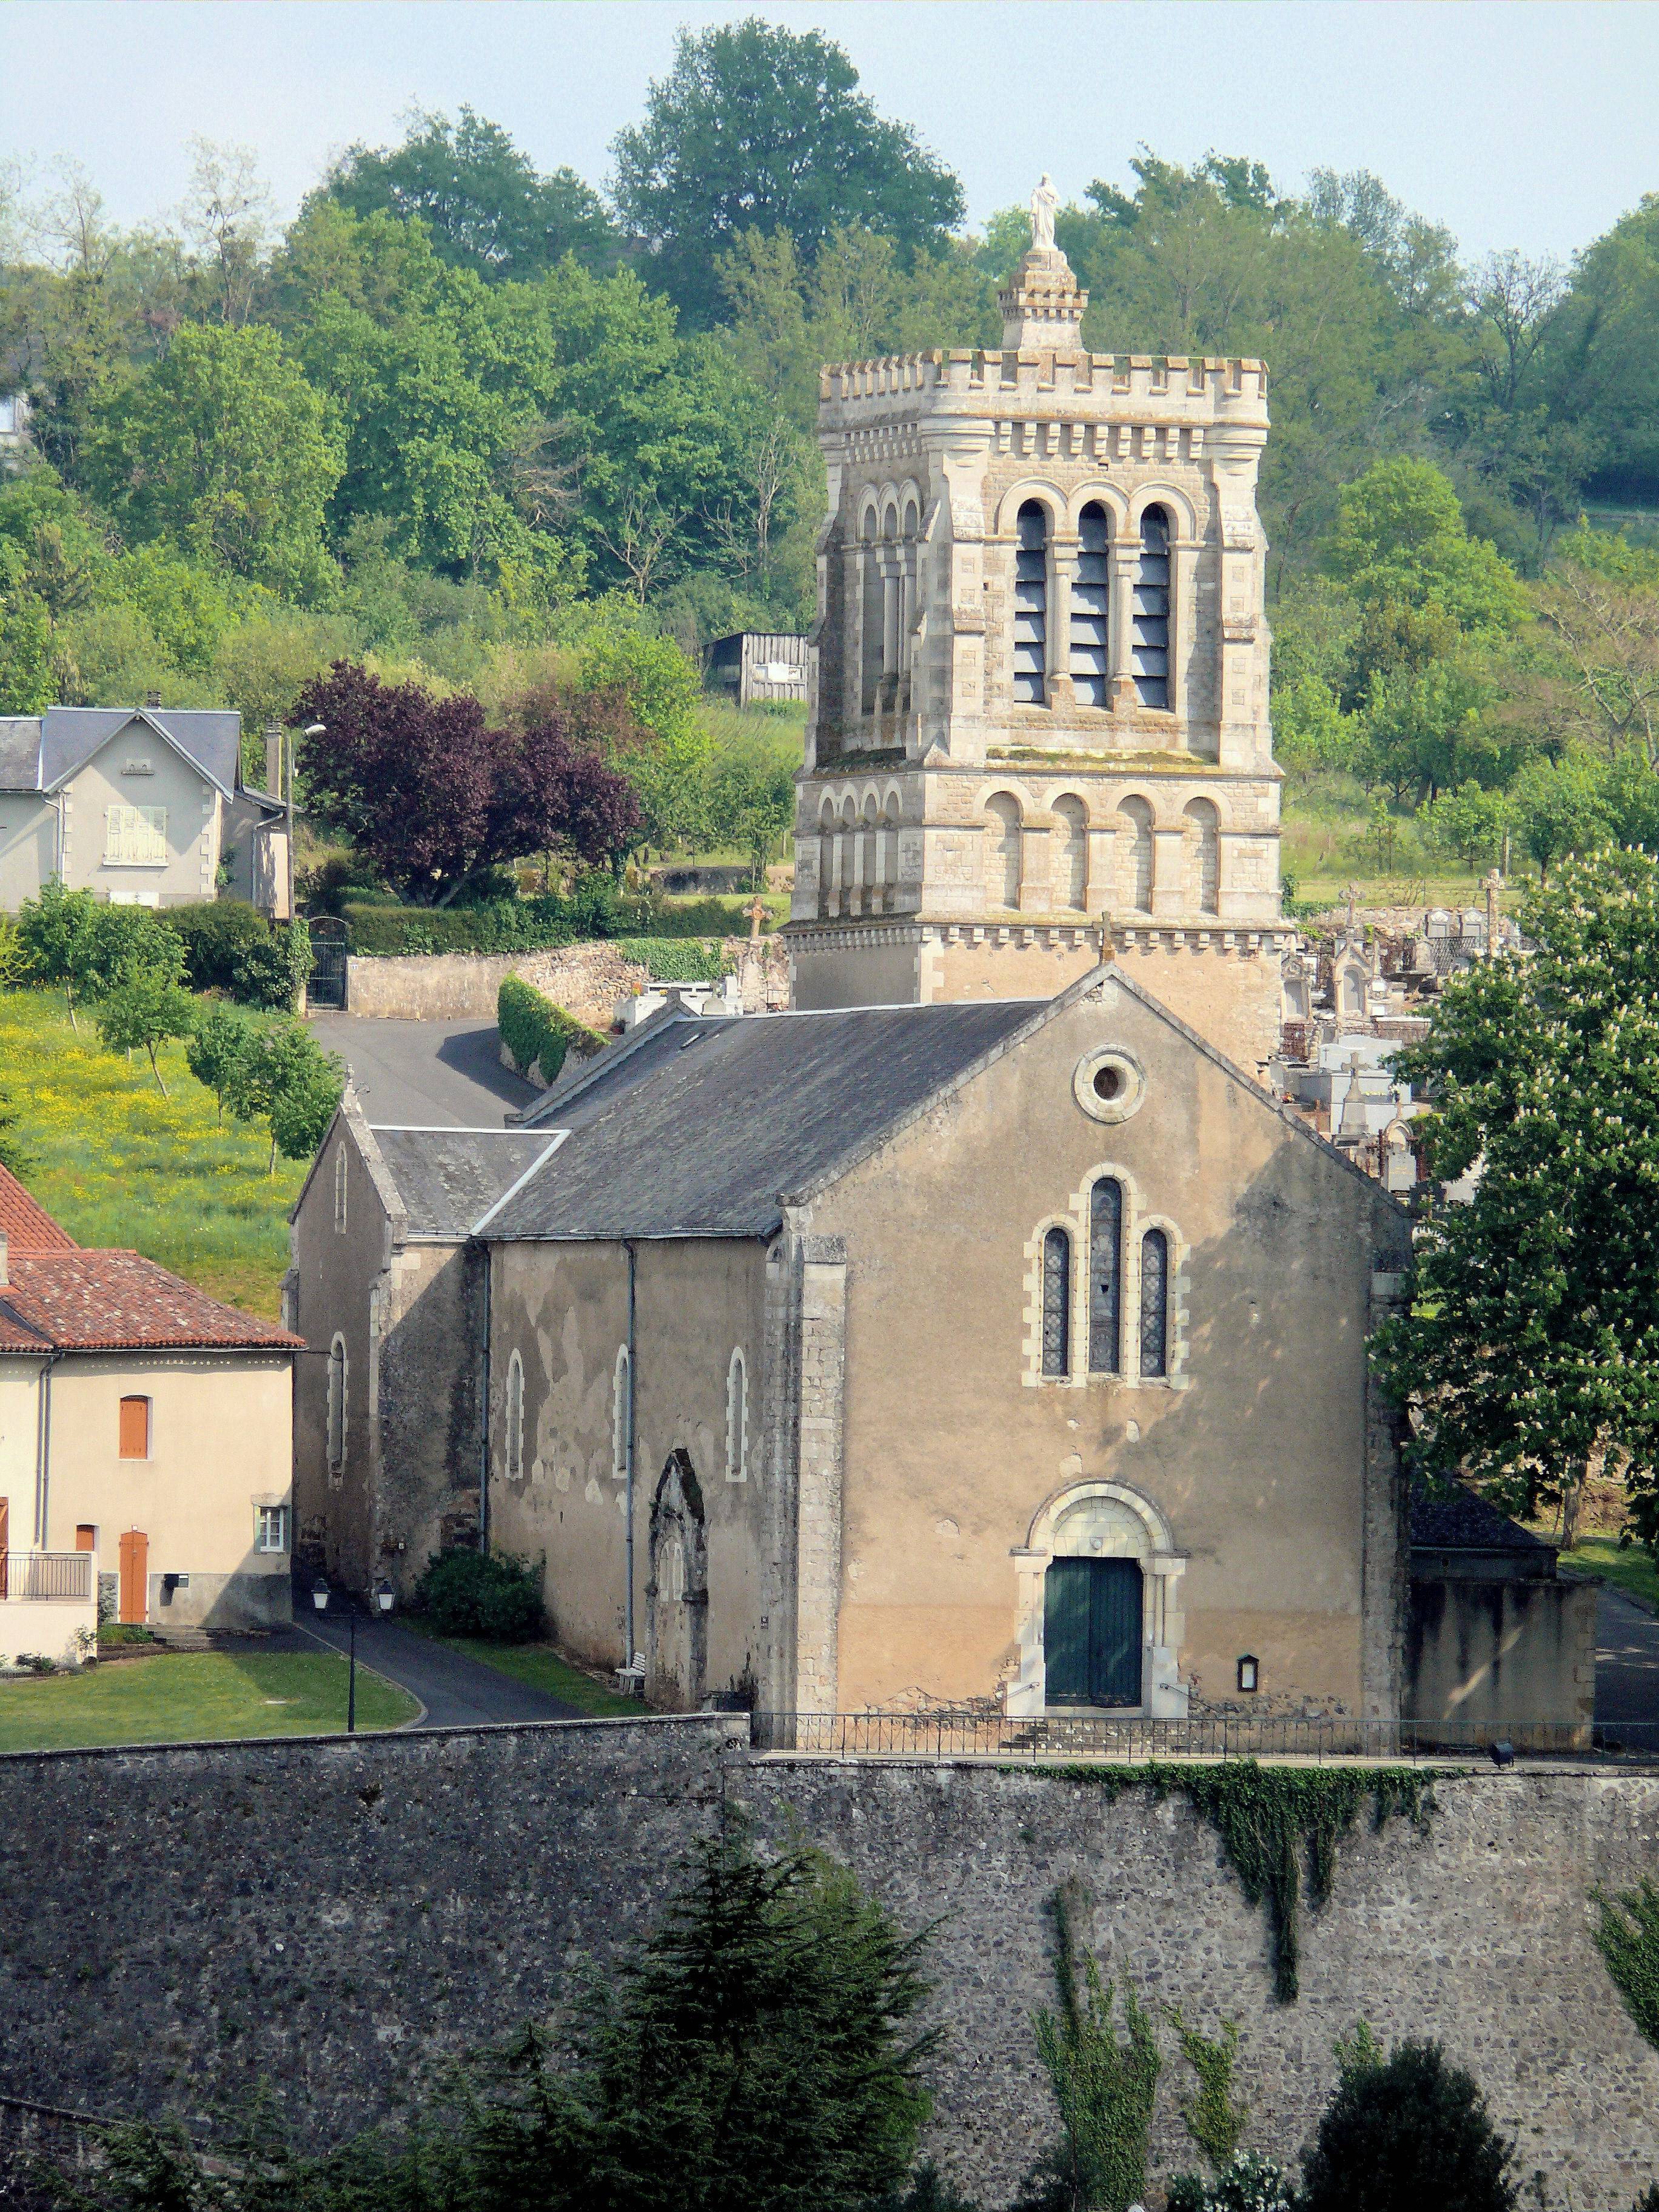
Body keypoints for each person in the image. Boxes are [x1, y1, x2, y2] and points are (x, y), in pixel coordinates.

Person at [1031, 173, 1059, 252]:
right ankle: (1040, 243)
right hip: (1040, 209)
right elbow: (1034, 196)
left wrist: (1052, 199)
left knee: (1049, 226)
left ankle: (1049, 243)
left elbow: (1057, 198)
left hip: (1048, 209)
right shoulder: (1038, 189)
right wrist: (1034, 206)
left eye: (1046, 179)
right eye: (1044, 179)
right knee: (1040, 226)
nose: (1045, 181)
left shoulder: (1052, 188)